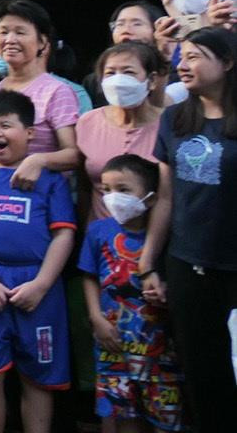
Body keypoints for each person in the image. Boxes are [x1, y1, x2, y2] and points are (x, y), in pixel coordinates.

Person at [0, 91, 77, 433]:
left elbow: (64, 235)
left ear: (30, 132)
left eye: (6, 125)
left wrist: (41, 284)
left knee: (38, 375)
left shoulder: (50, 179)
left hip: (38, 287)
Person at [140, 28, 237, 426]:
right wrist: (149, 262)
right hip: (187, 263)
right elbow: (166, 196)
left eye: (196, 56)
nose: (184, 64)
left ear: (228, 62)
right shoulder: (175, 118)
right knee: (202, 372)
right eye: (182, 56)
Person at [79, 154, 184, 433]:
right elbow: (88, 276)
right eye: (107, 190)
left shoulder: (164, 235)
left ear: (150, 198)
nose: (113, 197)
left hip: (160, 348)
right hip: (113, 342)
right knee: (124, 416)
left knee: (165, 416)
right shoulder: (98, 231)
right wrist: (96, 318)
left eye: (124, 190)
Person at [0, 0, 80, 185]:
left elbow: (74, 155)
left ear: (42, 43)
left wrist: (39, 161)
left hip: (38, 198)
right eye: (3, 32)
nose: (10, 40)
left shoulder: (57, 91)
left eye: (20, 32)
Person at [75, 42, 168, 222]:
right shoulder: (88, 122)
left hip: (152, 238)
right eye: (110, 73)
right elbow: (83, 188)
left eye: (129, 72)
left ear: (152, 80)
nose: (118, 81)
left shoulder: (169, 124)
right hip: (100, 239)